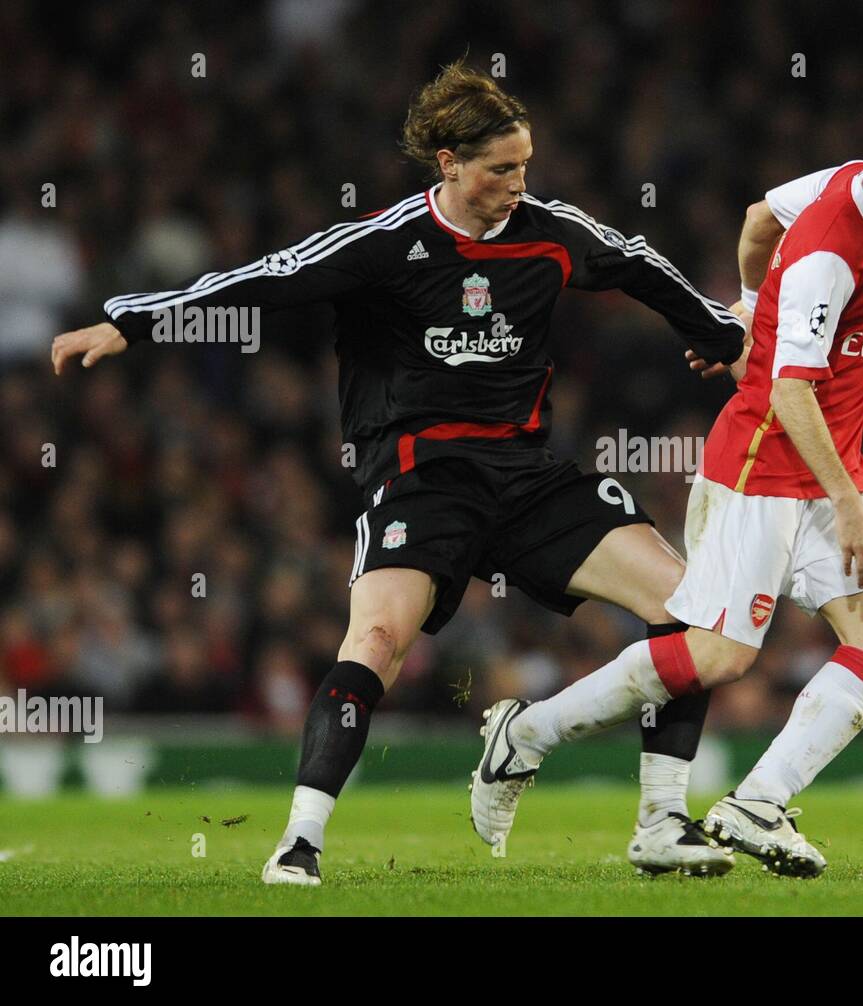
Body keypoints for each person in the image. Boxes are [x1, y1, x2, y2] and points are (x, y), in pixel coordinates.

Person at [50, 61, 747, 883]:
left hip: (526, 474)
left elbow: (636, 264)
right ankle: (300, 841)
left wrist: (723, 338)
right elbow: (268, 279)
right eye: (500, 169)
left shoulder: (552, 232)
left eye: (525, 165)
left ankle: (660, 820)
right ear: (449, 164)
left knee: (690, 610)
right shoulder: (383, 243)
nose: (518, 184)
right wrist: (132, 321)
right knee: (376, 641)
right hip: (422, 477)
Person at [472, 95, 863, 876]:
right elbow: (790, 393)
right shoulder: (830, 254)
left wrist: (749, 310)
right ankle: (527, 735)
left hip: (826, 468)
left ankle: (759, 802)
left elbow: (756, 218)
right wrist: (850, 507)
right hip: (761, 464)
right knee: (717, 657)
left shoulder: (846, 184)